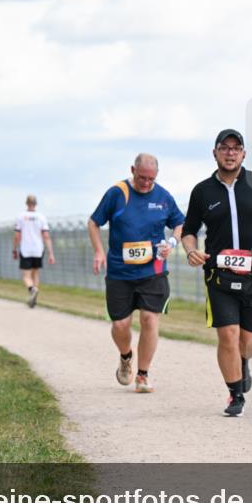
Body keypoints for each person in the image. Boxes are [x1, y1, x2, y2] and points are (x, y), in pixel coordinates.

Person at [181, 129, 252, 417]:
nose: (230, 153)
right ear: (215, 153)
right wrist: (190, 250)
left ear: (244, 153)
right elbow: (189, 230)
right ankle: (235, 394)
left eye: (236, 148)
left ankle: (243, 363)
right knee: (228, 335)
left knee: (250, 343)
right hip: (220, 275)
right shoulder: (202, 191)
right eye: (224, 148)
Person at [88, 154, 185, 394]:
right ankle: (125, 356)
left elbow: (181, 223)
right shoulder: (116, 193)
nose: (146, 183)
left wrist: (172, 243)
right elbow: (93, 223)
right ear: (132, 170)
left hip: (153, 271)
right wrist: (99, 252)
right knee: (121, 325)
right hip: (120, 272)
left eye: (151, 179)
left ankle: (143, 375)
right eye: (142, 177)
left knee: (149, 319)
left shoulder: (163, 197)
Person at [13, 195, 55, 307]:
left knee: (26, 276)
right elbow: (46, 236)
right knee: (35, 273)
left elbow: (17, 236)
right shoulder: (41, 217)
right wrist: (51, 253)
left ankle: (32, 290)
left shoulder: (21, 216)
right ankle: (34, 297)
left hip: (26, 249)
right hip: (38, 249)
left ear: (26, 203)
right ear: (36, 203)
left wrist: (14, 249)